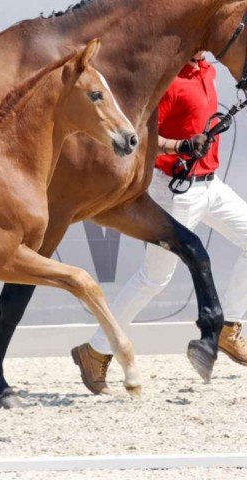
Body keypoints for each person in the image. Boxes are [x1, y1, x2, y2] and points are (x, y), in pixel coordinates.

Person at [72, 52, 247, 394]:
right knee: (155, 278)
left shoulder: (207, 71)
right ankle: (95, 350)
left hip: (211, 186)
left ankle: (229, 326)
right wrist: (180, 147)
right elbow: (143, 143)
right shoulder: (171, 82)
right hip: (175, 192)